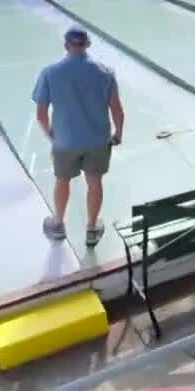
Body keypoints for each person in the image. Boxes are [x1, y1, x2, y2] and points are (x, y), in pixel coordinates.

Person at [33, 27, 124, 248]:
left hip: (65, 141)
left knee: (62, 181)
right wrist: (118, 134)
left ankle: (57, 224)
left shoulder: (50, 72)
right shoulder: (105, 72)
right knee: (94, 182)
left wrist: (51, 136)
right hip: (98, 140)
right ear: (88, 45)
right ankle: (92, 228)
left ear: (66, 45)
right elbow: (117, 110)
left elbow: (41, 114)